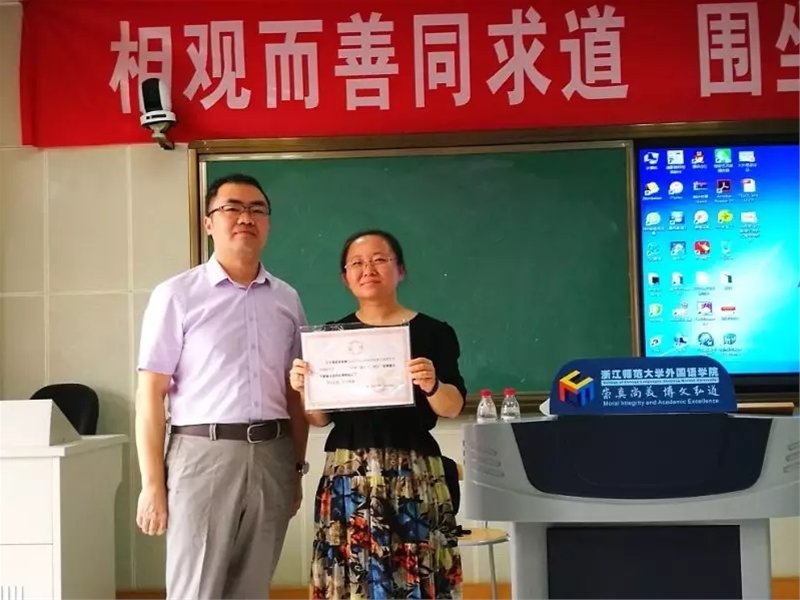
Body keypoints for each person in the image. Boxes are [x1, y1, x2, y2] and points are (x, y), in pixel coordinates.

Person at [135, 173, 310, 599]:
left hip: (273, 455)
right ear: (209, 222)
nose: (245, 218)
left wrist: (296, 469)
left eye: (257, 209)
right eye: (232, 208)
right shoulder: (177, 295)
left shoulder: (287, 299)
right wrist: (153, 483)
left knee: (252, 587)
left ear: (267, 223)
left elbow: (296, 393)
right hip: (202, 454)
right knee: (196, 588)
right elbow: (150, 393)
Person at [289, 229, 466, 599]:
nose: (368, 269)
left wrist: (432, 384)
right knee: (353, 577)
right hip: (348, 474)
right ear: (345, 277)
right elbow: (319, 419)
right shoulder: (331, 337)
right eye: (356, 263)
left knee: (416, 572)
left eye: (379, 260)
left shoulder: (433, 332)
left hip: (413, 472)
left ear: (400, 270)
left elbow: (452, 407)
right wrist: (305, 387)